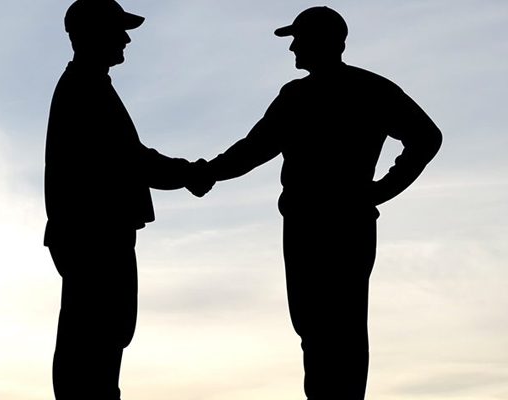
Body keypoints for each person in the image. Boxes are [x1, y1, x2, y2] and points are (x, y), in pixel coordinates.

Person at [190, 6, 442, 399]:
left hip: (324, 226)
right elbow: (254, 149)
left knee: (330, 330)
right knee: (327, 330)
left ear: (321, 42)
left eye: (298, 39)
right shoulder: (363, 89)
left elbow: (253, 150)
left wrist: (382, 189)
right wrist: (379, 191)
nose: (292, 47)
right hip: (334, 224)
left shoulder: (308, 95)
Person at [43, 1, 206, 399]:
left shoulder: (89, 85)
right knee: (93, 344)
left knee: (100, 340)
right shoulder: (85, 88)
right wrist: (188, 173)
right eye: (118, 29)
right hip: (94, 236)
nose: (127, 37)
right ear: (90, 34)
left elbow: (129, 157)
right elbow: (130, 159)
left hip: (95, 234)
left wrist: (186, 172)